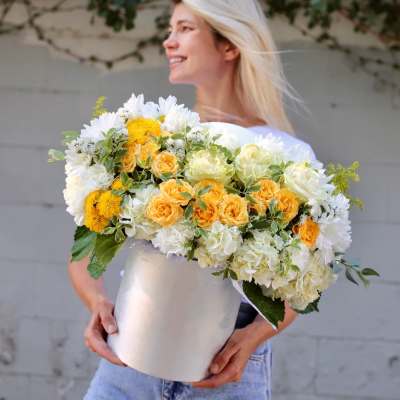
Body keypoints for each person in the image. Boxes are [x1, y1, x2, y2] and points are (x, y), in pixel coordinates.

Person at [71, 0, 316, 398]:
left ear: (229, 45)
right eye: (170, 30)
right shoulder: (153, 138)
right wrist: (97, 303)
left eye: (185, 29)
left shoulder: (289, 157)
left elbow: (306, 281)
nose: (169, 41)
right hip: (128, 363)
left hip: (225, 372)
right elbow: (84, 250)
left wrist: (254, 336)